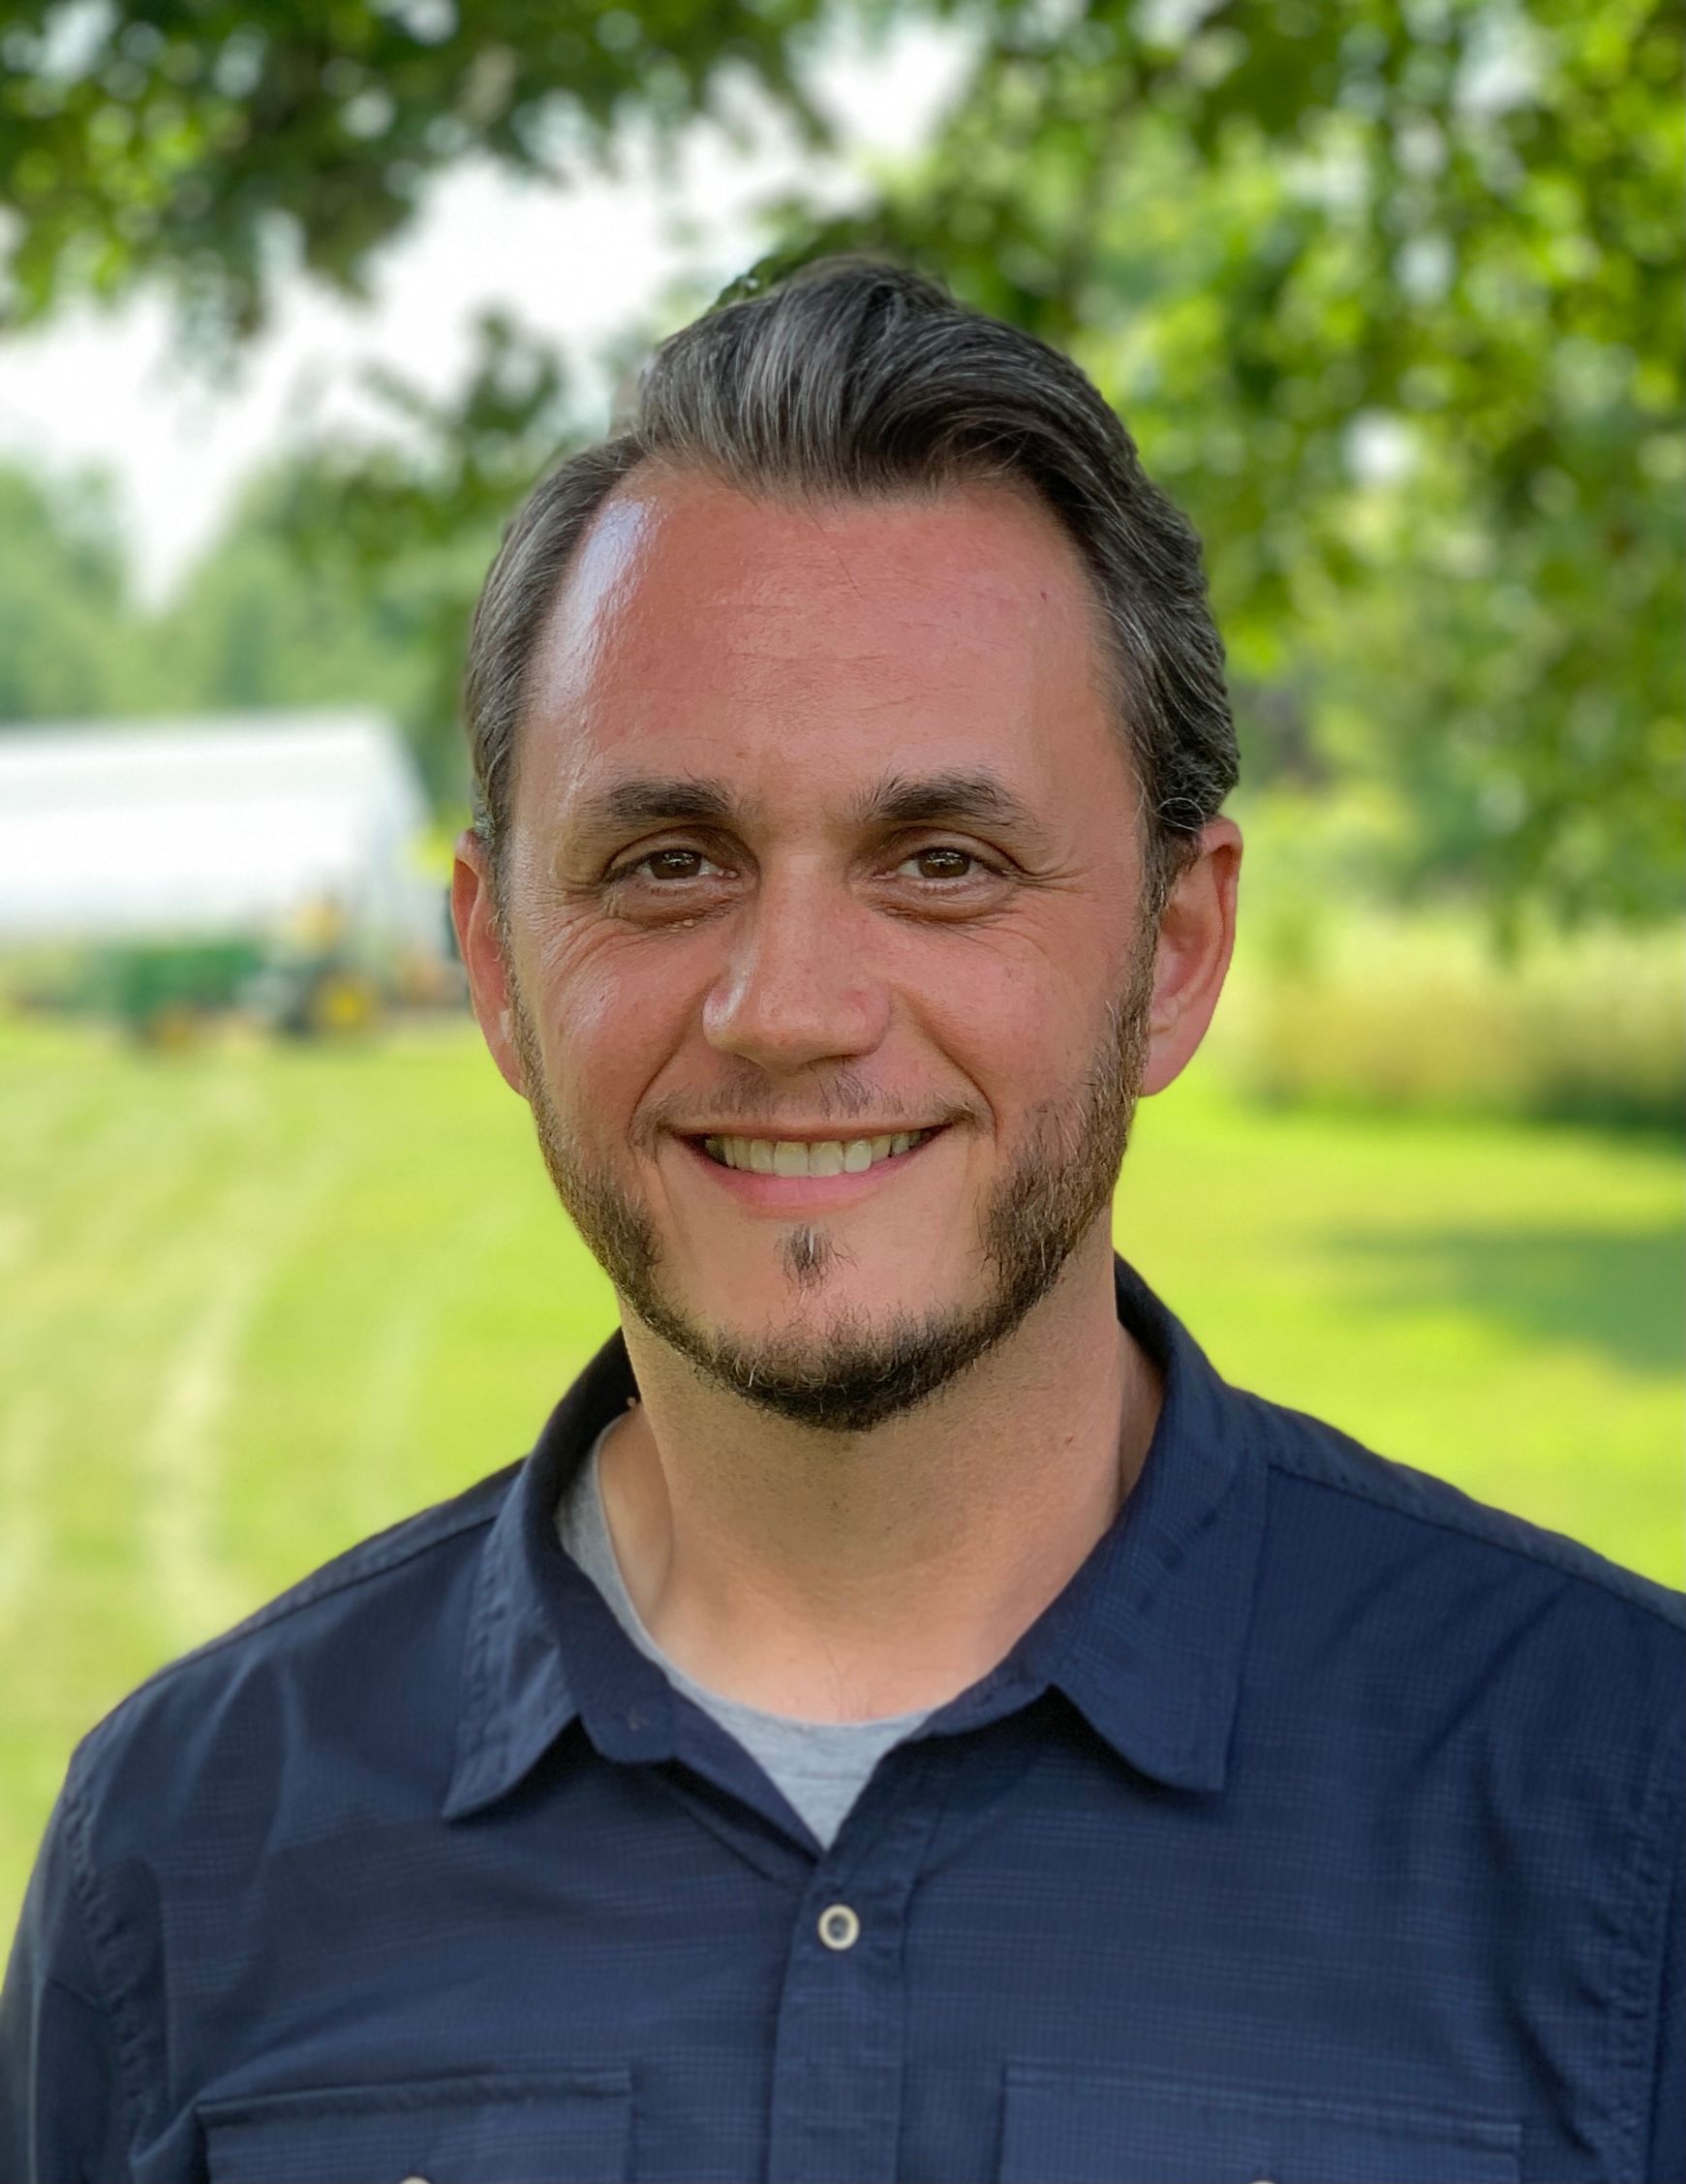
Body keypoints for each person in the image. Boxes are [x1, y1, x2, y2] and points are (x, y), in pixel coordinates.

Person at [2, 260, 1679, 2184]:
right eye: (665, 863)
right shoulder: (185, 1850)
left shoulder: (1621, 1811)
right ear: (492, 962)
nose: (788, 1007)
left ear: (1176, 950)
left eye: (942, 863)